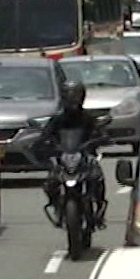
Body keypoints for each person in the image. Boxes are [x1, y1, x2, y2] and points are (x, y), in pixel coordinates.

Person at [32, 74, 105, 222]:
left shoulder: (87, 118)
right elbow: (46, 134)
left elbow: (99, 132)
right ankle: (56, 204)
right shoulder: (58, 119)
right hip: (63, 157)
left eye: (76, 95)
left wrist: (99, 139)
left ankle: (99, 205)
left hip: (84, 157)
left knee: (97, 177)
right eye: (69, 95)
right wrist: (42, 143)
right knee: (51, 181)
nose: (73, 99)